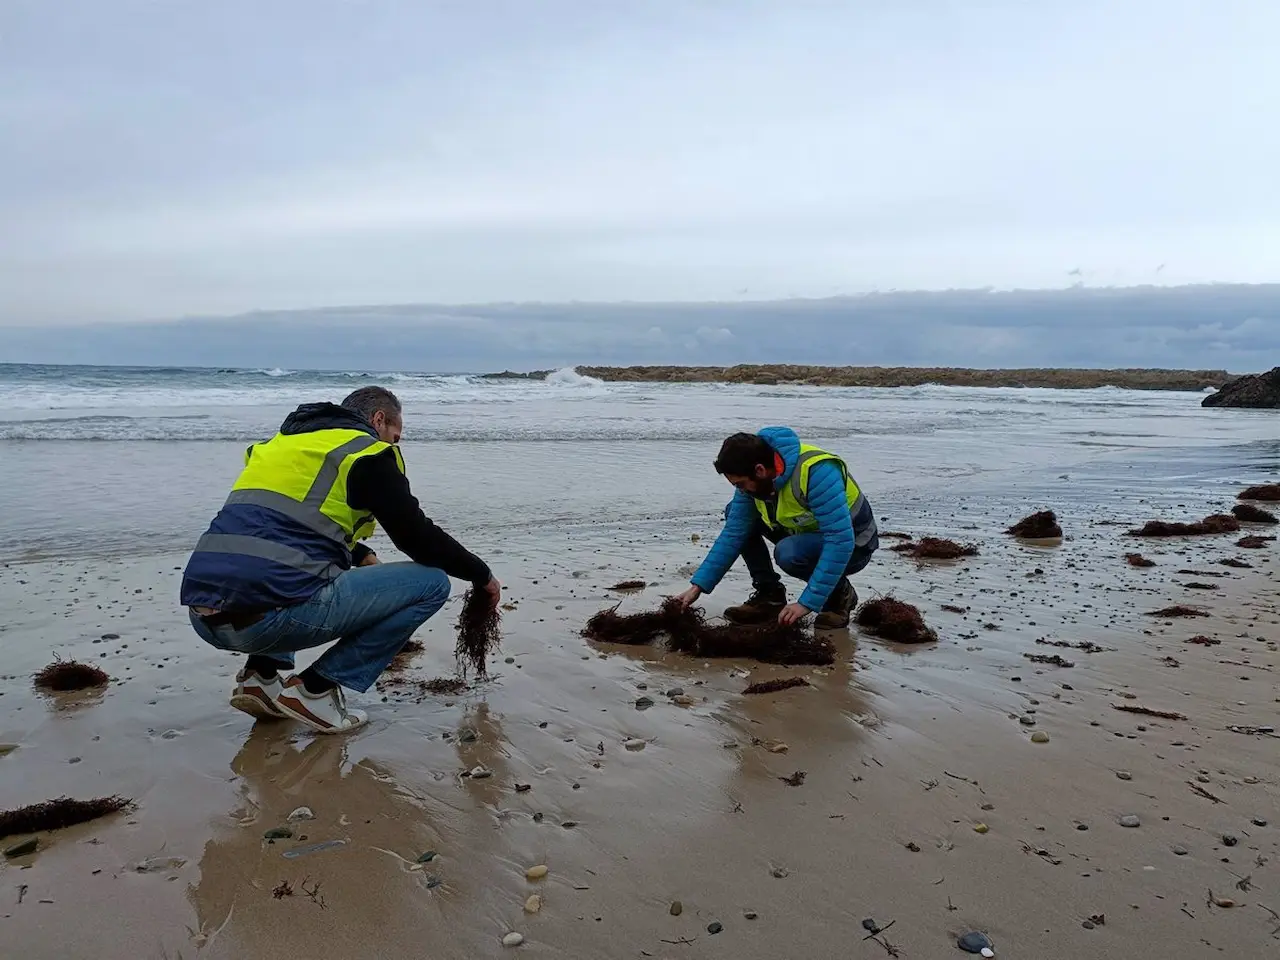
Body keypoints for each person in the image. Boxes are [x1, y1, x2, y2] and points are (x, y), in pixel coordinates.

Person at [180, 386, 500, 734]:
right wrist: (481, 576)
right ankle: (316, 690)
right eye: (395, 436)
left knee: (284, 570)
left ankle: (260, 677)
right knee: (433, 583)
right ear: (379, 419)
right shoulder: (367, 454)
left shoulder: (280, 446)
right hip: (269, 623)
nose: (394, 445)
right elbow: (417, 538)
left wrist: (360, 553)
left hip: (204, 616)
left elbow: (286, 525)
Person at [675, 427, 878, 629]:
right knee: (734, 515)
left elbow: (840, 540)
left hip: (856, 544)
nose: (740, 490)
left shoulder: (817, 471)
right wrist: (698, 586)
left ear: (760, 470)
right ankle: (768, 596)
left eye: (740, 484)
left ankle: (839, 596)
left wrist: (806, 603)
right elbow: (733, 534)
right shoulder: (756, 479)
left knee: (789, 553)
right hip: (804, 535)